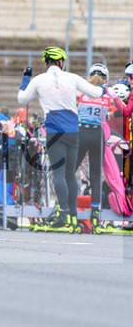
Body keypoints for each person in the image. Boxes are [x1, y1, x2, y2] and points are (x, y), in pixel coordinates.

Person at [18, 47, 109, 233]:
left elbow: (22, 99)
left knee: (58, 175)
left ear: (47, 63)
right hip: (73, 130)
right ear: (61, 62)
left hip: (55, 131)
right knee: (70, 175)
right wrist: (103, 87)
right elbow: (95, 93)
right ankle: (73, 217)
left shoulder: (38, 80)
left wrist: (25, 78)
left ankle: (64, 215)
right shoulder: (72, 77)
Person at [75, 62, 112, 230]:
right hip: (98, 134)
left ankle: (67, 209)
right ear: (105, 79)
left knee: (70, 171)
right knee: (96, 176)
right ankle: (95, 214)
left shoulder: (81, 92)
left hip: (82, 133)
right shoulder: (107, 94)